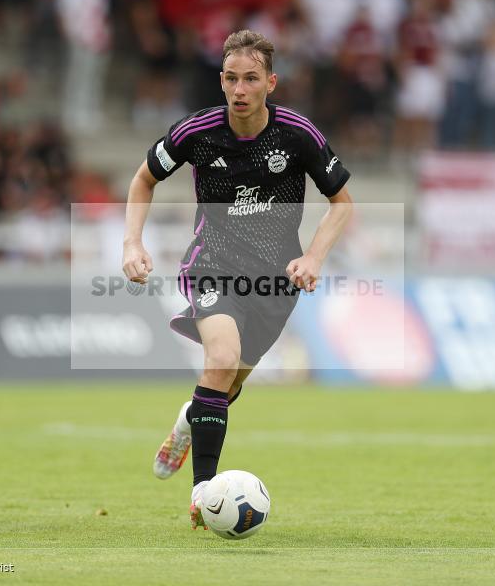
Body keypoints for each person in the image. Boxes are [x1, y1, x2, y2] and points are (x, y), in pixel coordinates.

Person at [122, 30, 352, 529]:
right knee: (220, 358)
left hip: (276, 282)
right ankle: (204, 491)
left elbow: (342, 204)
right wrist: (132, 243)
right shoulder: (196, 132)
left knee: (225, 387)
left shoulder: (298, 135)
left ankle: (189, 419)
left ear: (271, 82)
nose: (240, 88)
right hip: (213, 264)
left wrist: (313, 255)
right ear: (221, 81)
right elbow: (143, 179)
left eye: (251, 78)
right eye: (231, 78)